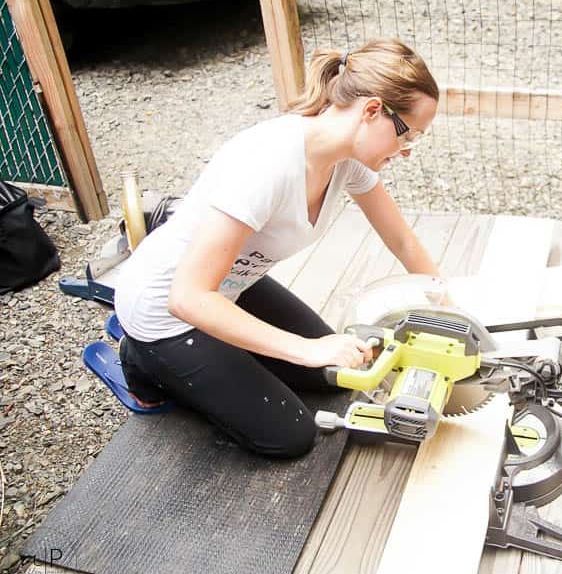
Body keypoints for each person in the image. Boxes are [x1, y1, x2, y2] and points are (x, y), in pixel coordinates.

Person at [112, 38, 443, 458]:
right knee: (289, 435)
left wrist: (445, 305)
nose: (408, 150)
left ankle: (230, 354)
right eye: (408, 134)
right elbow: (187, 297)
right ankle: (141, 358)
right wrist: (305, 348)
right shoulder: (268, 164)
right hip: (167, 309)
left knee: (334, 369)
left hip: (230, 283)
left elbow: (401, 240)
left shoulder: (348, 160)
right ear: (373, 110)